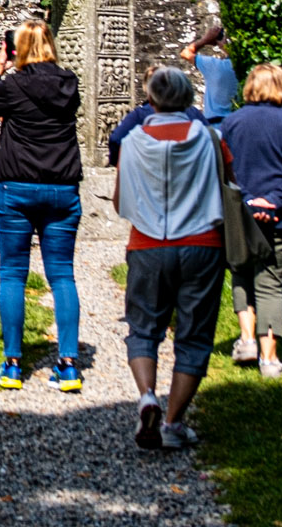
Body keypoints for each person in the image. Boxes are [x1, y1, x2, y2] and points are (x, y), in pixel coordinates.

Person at [116, 66, 229, 450]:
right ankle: (174, 422)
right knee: (194, 335)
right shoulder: (208, 137)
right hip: (202, 242)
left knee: (144, 327)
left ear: (150, 99)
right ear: (189, 98)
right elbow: (227, 180)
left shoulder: (132, 140)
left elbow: (119, 200)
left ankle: (147, 394)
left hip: (148, 242)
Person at [0, 21, 83, 393]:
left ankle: (13, 363)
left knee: (14, 274)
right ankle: (68, 364)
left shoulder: (14, 84)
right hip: (62, 187)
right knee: (63, 275)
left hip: (17, 186)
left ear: (16, 48)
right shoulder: (68, 83)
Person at [220, 62, 282, 377]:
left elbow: (224, 168)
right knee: (271, 283)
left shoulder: (232, 123)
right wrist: (273, 200)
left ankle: (247, 339)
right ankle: (269, 358)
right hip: (281, 217)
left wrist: (249, 200)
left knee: (241, 274)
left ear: (250, 87)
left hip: (240, 216)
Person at [182, 26, 238, 127]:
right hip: (237, 124)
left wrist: (205, 40)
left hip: (215, 124)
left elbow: (186, 53)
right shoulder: (249, 67)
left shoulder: (216, 66)